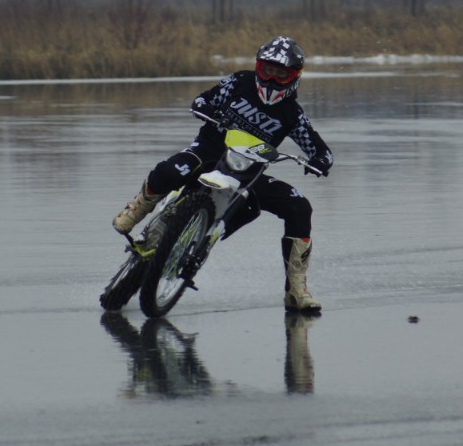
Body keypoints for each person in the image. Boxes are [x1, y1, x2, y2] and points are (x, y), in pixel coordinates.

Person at [112, 36, 334, 311]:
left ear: (294, 76)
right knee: (171, 169)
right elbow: (204, 98)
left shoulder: (293, 115)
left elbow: (320, 149)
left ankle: (296, 290)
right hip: (208, 153)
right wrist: (202, 107)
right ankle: (135, 210)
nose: (272, 80)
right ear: (258, 67)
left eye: (281, 74)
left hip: (247, 172)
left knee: (300, 206)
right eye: (267, 71)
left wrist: (321, 161)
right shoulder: (239, 82)